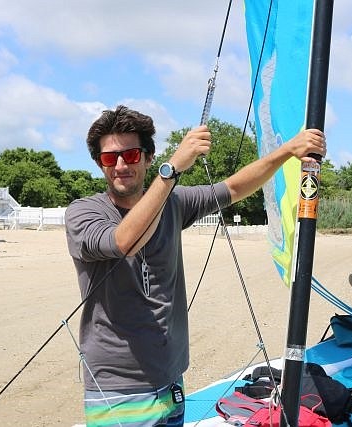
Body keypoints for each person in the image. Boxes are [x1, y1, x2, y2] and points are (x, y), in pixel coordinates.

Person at [65, 105, 326, 426]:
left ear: (147, 157)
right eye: (109, 158)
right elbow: (124, 241)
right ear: (99, 164)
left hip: (171, 377)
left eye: (131, 155)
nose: (120, 165)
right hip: (119, 389)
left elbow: (233, 187)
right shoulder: (84, 213)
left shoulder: (173, 203)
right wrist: (171, 169)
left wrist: (287, 151)